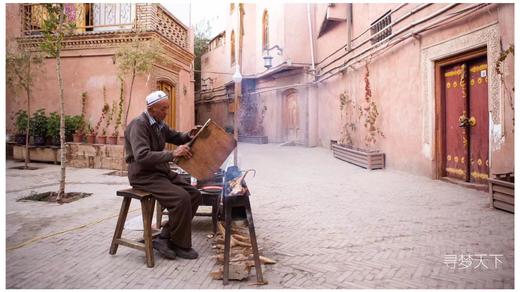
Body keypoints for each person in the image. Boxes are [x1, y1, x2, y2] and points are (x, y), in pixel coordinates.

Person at [124, 90, 202, 260]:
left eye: (167, 108)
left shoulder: (159, 124)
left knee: (194, 195)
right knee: (181, 198)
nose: (166, 112)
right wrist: (174, 154)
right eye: (163, 109)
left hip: (160, 172)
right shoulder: (139, 124)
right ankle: (180, 244)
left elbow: (175, 136)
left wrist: (189, 135)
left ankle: (165, 237)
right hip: (143, 175)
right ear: (151, 109)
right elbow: (142, 156)